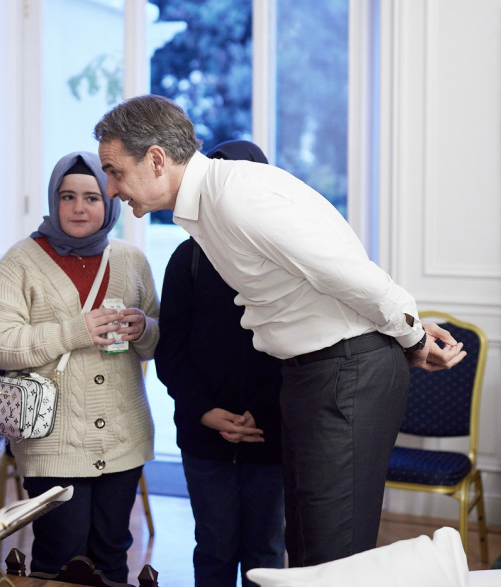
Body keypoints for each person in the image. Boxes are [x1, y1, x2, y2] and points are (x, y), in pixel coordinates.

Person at [94, 95, 467, 567]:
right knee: (309, 551)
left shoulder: (236, 196)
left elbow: (348, 272)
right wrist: (404, 329)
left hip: (344, 371)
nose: (110, 188)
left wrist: (410, 333)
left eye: (114, 171)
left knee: (334, 559)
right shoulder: (209, 207)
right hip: (317, 373)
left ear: (155, 159)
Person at [0, 151, 159, 583]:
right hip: (51, 440)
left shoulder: (131, 259)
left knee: (114, 552)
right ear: (53, 200)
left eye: (92, 197)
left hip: (122, 437)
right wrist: (72, 332)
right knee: (61, 555)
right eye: (68, 196)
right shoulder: (20, 261)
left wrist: (143, 328)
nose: (79, 207)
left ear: (110, 202)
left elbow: (157, 341)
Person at [155, 140, 284, 587]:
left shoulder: (286, 259)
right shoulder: (185, 259)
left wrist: (258, 417)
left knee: (266, 553)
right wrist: (207, 412)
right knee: (213, 547)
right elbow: (169, 352)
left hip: (272, 436)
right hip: (203, 434)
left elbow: (301, 353)